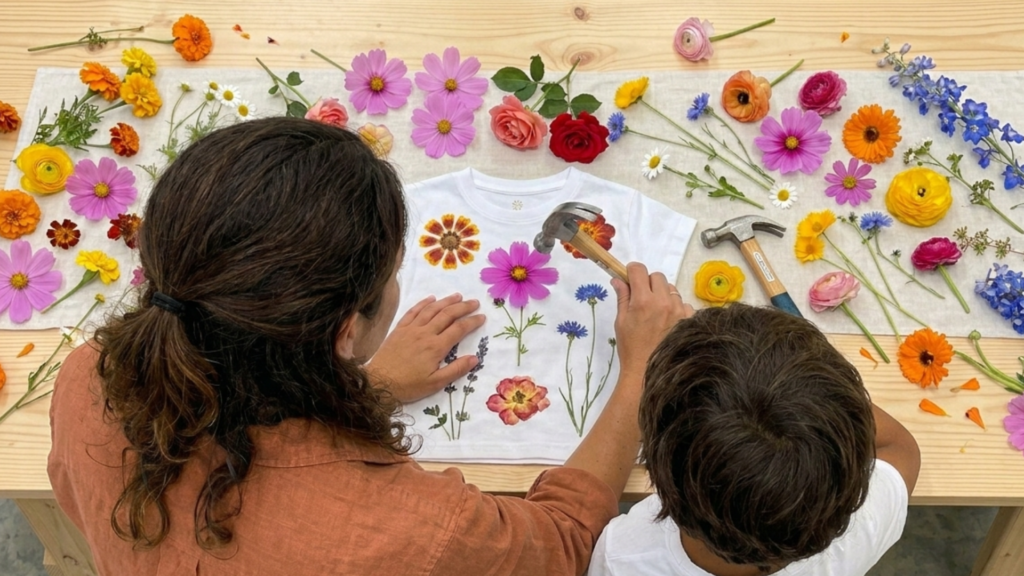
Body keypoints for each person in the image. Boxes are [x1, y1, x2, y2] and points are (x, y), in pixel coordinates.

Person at [47, 116, 693, 576]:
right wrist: (642, 369)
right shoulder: (412, 531)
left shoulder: (87, 378)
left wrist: (369, 389)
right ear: (345, 331)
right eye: (392, 271)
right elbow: (563, 542)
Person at [588, 304, 921, 576]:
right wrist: (820, 393)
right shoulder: (864, 525)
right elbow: (900, 448)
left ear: (653, 466)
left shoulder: (619, 558)